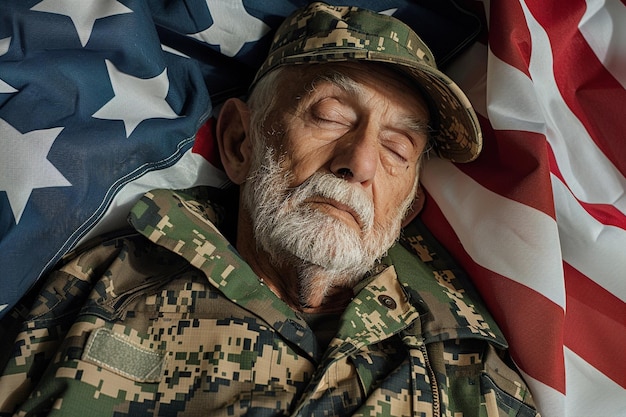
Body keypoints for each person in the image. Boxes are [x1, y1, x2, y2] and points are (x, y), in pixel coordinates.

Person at [0, 3, 539, 416]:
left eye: (398, 149)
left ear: (407, 208)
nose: (360, 163)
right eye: (330, 116)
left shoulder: (464, 367)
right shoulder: (100, 289)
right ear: (239, 142)